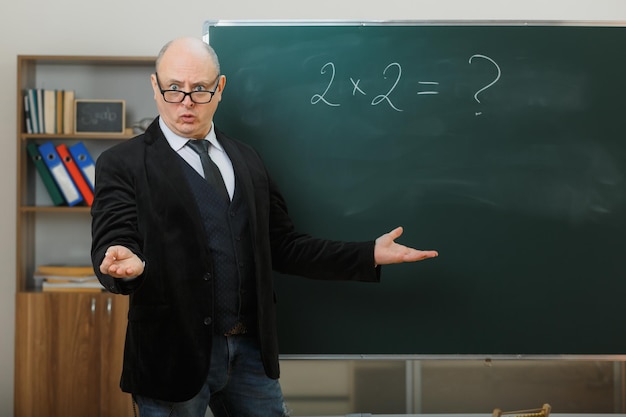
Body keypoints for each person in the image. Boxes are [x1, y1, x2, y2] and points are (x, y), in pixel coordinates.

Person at [91, 36, 438, 417]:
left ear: (219, 88)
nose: (186, 101)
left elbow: (284, 245)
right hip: (172, 355)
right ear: (155, 87)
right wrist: (123, 262)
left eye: (200, 89)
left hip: (251, 354)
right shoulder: (122, 163)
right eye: (174, 88)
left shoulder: (247, 159)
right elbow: (115, 234)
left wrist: (367, 253)